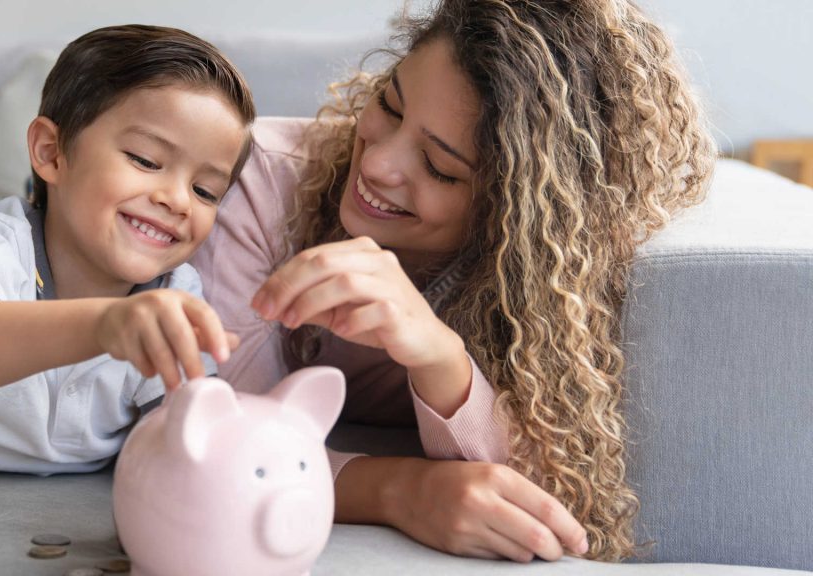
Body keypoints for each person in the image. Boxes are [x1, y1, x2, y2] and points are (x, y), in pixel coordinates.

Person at [191, 0, 715, 563]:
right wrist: (400, 490)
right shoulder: (256, 183)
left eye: (439, 168)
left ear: (515, 209)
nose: (378, 164)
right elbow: (224, 443)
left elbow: (548, 493)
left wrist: (441, 357)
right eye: (390, 107)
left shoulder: (547, 275)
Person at [0, 24, 256, 475]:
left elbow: (183, 436)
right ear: (51, 151)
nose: (177, 200)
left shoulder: (177, 294)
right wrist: (104, 325)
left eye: (205, 191)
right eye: (144, 160)